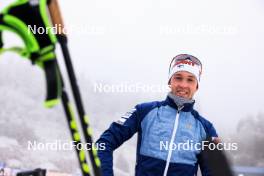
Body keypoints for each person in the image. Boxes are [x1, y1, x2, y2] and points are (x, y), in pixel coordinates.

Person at [96, 54, 219, 176]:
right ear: (170, 81)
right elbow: (104, 143)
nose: (183, 85)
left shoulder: (206, 128)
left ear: (196, 86)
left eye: (190, 79)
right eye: (178, 77)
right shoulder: (144, 111)